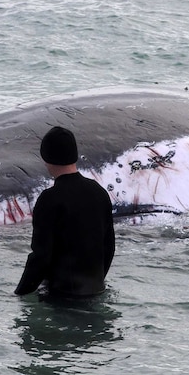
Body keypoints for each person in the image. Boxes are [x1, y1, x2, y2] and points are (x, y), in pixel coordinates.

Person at [14, 126, 115, 299]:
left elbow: (41, 257)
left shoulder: (49, 199)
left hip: (61, 296)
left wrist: (20, 293)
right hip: (96, 290)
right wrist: (95, 283)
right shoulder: (99, 192)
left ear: (46, 157)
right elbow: (109, 247)